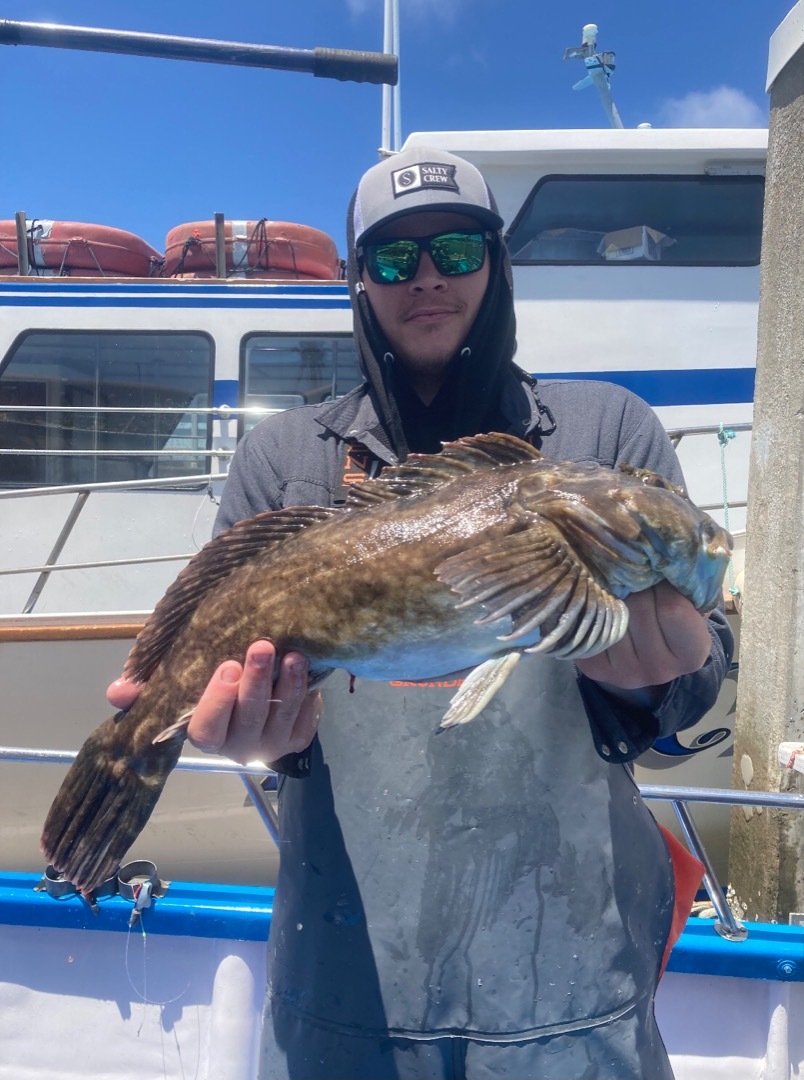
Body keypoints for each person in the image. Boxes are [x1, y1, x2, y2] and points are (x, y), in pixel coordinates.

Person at [110, 146, 733, 1079]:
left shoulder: (609, 434)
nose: (428, 278)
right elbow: (252, 733)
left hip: (573, 992)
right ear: (360, 282)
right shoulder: (283, 461)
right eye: (395, 259)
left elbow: (697, 693)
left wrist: (663, 685)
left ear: (497, 263)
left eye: (456, 249)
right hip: (344, 984)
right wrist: (256, 736)